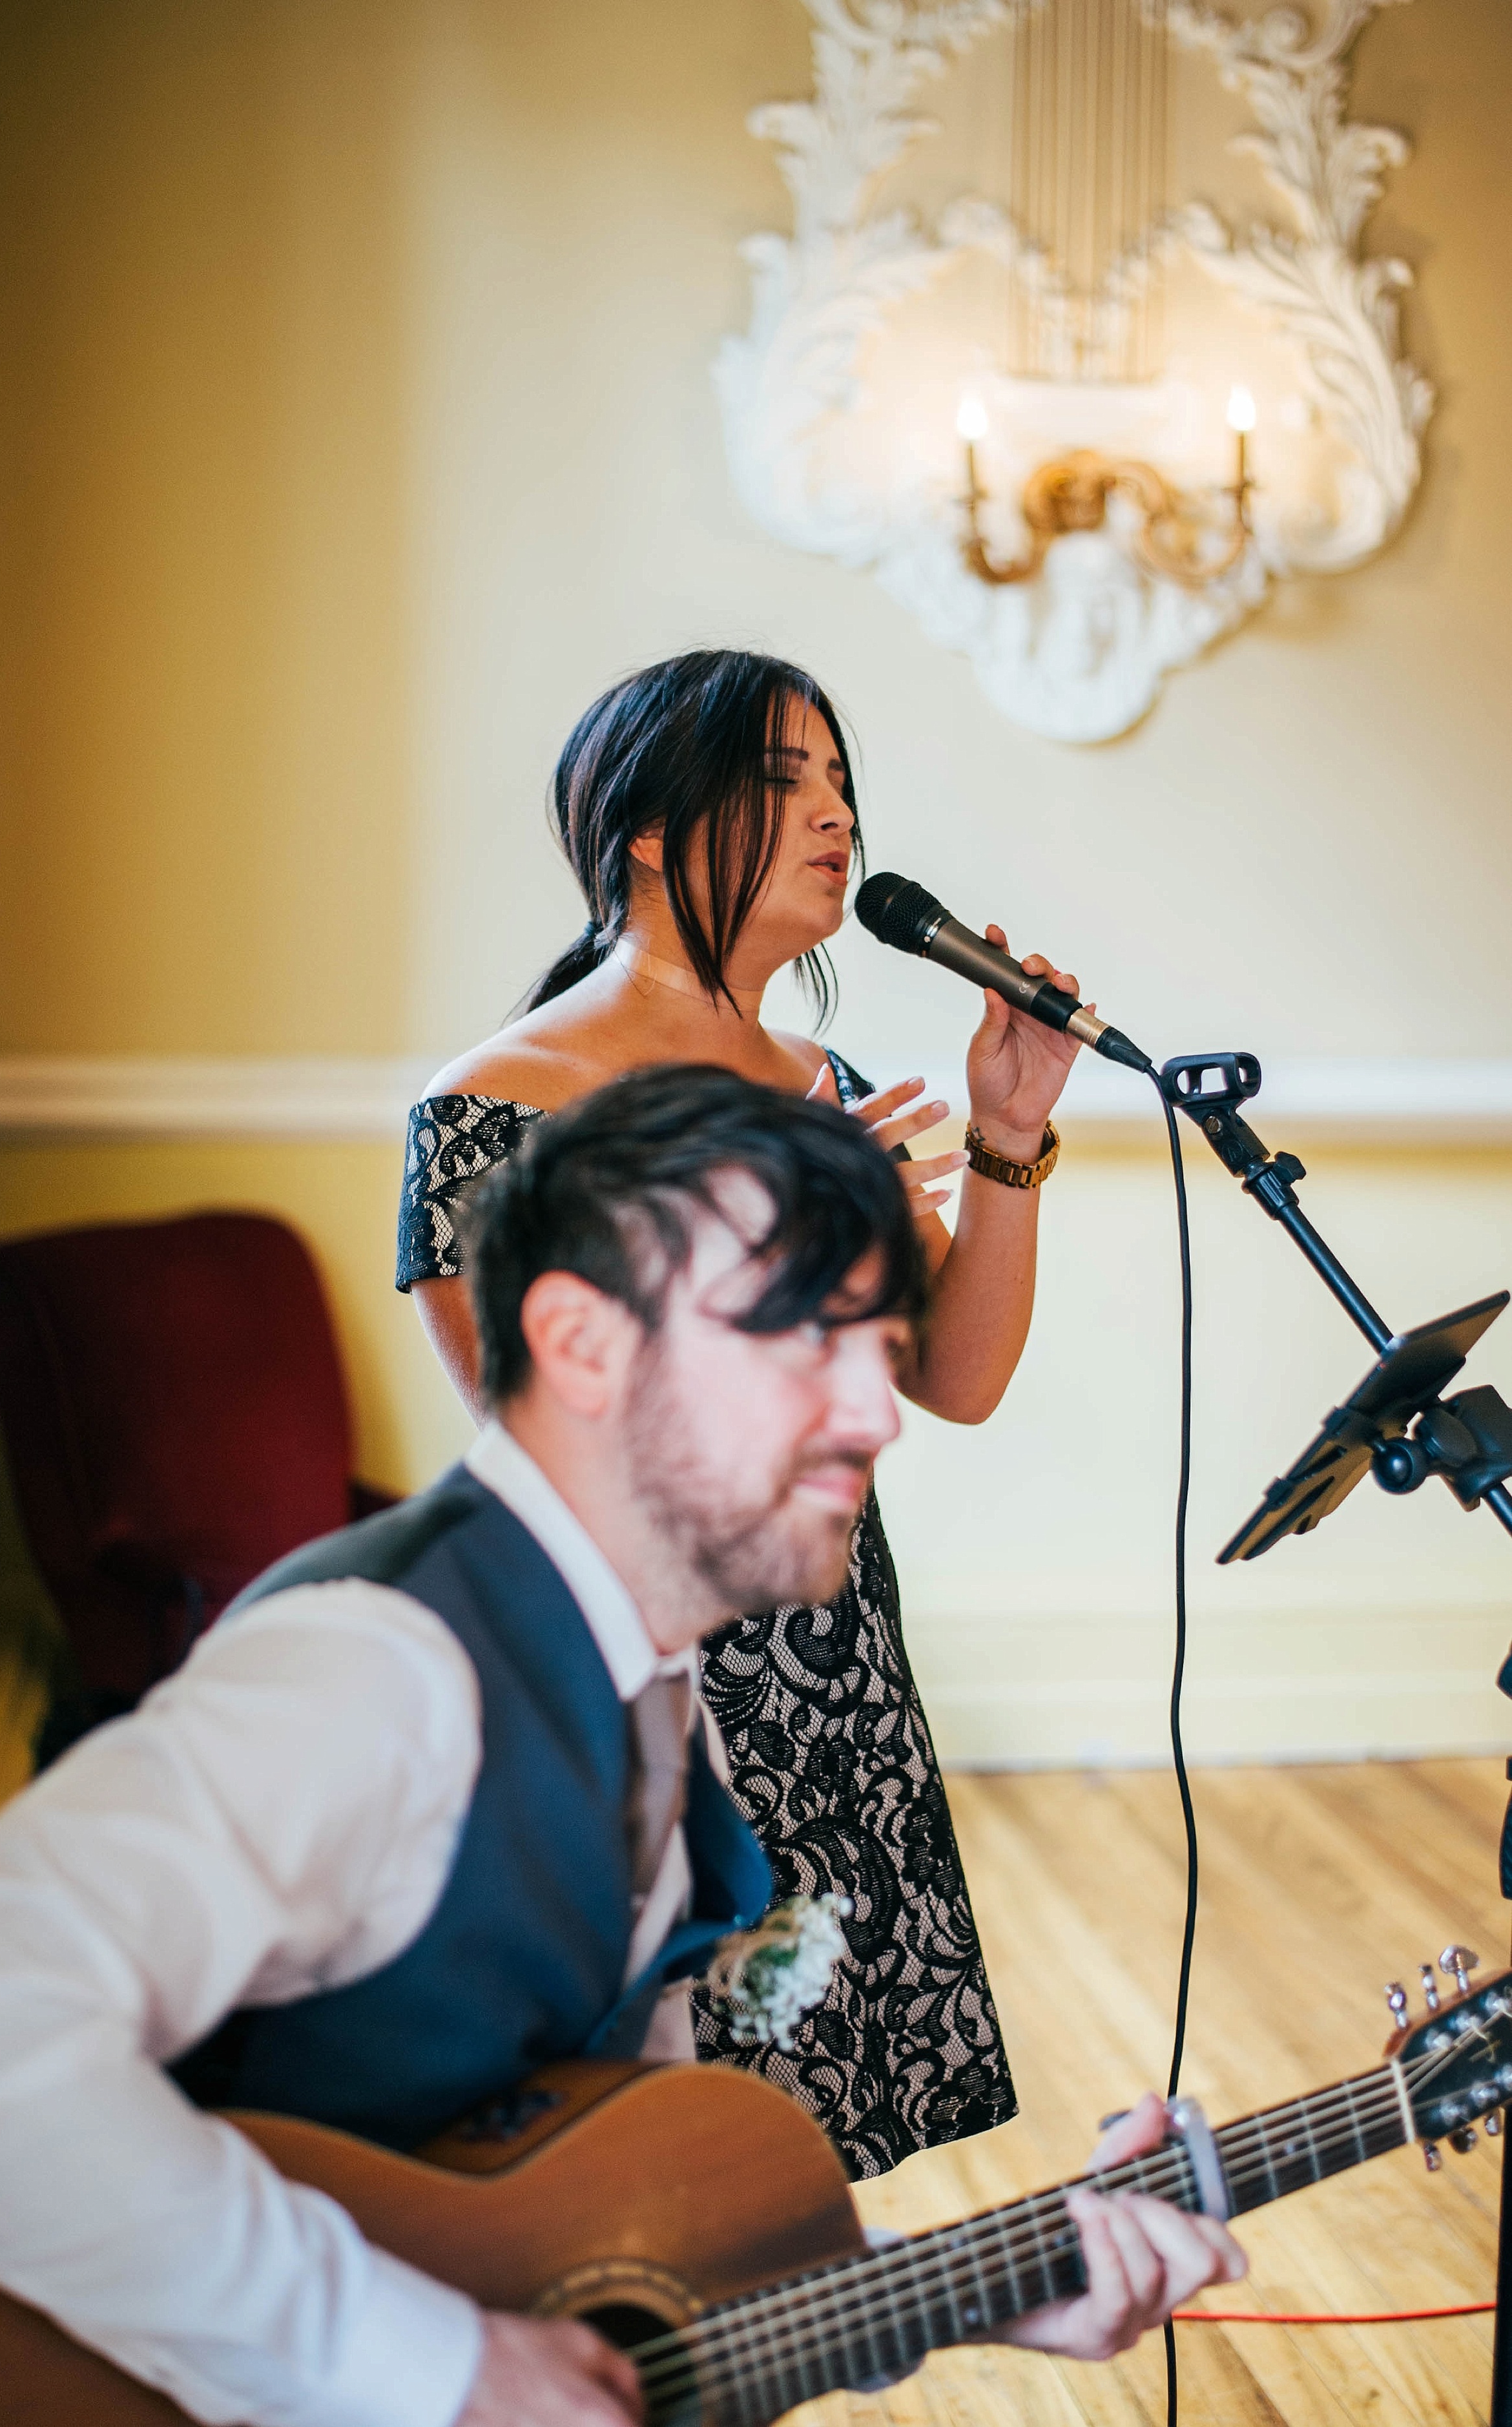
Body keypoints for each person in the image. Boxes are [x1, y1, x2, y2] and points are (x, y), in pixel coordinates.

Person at [0, 1068, 1243, 2427]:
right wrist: (440, 2370)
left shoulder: (652, 1695)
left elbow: (597, 2238)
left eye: (880, 1342)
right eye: (804, 1341)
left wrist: (971, 2288)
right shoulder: (379, 1667)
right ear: (581, 1344)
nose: (877, 1411)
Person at [399, 647, 1085, 2176]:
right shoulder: (490, 1107)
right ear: (648, 828)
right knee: (642, 2157)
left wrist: (1003, 1137)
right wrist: (773, 1243)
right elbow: (547, 1445)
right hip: (653, 1694)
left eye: (841, 780)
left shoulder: (817, 1078)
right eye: (787, 779)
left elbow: (954, 1379)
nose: (836, 815)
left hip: (830, 1669)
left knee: (797, 2163)